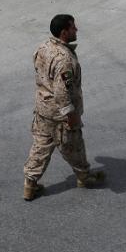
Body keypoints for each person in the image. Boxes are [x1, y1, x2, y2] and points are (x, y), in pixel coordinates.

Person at [23, 14, 105, 201]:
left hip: (43, 110)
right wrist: (70, 115)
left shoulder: (43, 47)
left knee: (40, 147)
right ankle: (84, 177)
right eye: (73, 27)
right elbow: (62, 91)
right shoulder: (64, 59)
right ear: (64, 32)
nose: (76, 29)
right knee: (74, 146)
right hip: (60, 115)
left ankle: (30, 185)